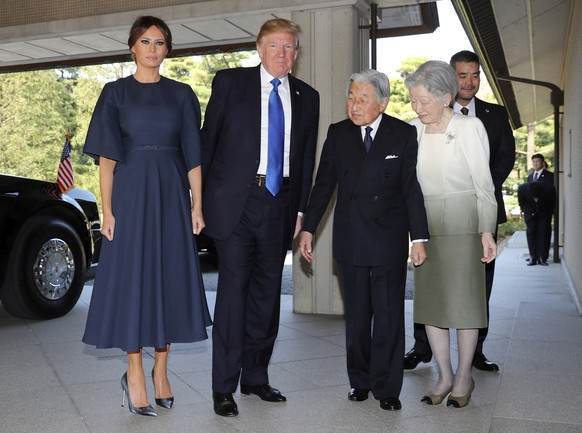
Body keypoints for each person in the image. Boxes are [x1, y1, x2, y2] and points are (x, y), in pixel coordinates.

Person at [82, 16, 212, 417]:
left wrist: (197, 205)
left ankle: (161, 371)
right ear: (132, 47)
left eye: (160, 42)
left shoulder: (182, 95)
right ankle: (134, 372)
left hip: (171, 195)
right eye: (145, 41)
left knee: (169, 279)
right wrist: (109, 210)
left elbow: (193, 156)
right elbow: (106, 159)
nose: (153, 48)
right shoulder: (115, 93)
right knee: (135, 282)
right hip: (131, 194)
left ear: (167, 49)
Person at [200, 18, 320, 417]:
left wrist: (301, 212)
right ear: (260, 48)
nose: (283, 54)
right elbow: (207, 144)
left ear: (297, 53)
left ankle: (255, 377)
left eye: (290, 47)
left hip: (280, 204)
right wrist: (197, 202)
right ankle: (223, 386)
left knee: (268, 296)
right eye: (275, 46)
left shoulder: (308, 96)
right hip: (235, 202)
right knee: (233, 294)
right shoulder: (230, 83)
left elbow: (305, 162)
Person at [299, 69, 429, 411]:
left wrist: (419, 238)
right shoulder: (338, 133)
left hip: (388, 236)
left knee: (388, 315)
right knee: (356, 316)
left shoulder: (402, 133)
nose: (354, 105)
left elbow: (410, 189)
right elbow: (323, 185)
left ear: (383, 103)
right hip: (351, 235)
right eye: (351, 97)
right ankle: (359, 381)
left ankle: (387, 387)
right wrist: (309, 228)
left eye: (363, 99)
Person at [404, 50, 515, 373]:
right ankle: (444, 375)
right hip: (426, 229)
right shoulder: (412, 129)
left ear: (444, 97)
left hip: (465, 226)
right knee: (431, 307)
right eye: (414, 100)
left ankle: (464, 377)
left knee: (467, 306)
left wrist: (486, 230)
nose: (417, 107)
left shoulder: (471, 127)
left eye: (424, 100)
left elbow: (484, 185)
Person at [519, 154, 556, 265]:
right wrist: (525, 210)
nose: (535, 163)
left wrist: (550, 211)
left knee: (544, 234)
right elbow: (525, 196)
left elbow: (552, 195)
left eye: (538, 161)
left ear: (543, 163)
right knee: (531, 234)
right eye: (533, 161)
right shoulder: (530, 176)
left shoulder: (550, 176)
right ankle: (533, 256)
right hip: (531, 212)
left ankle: (542, 257)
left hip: (544, 211)